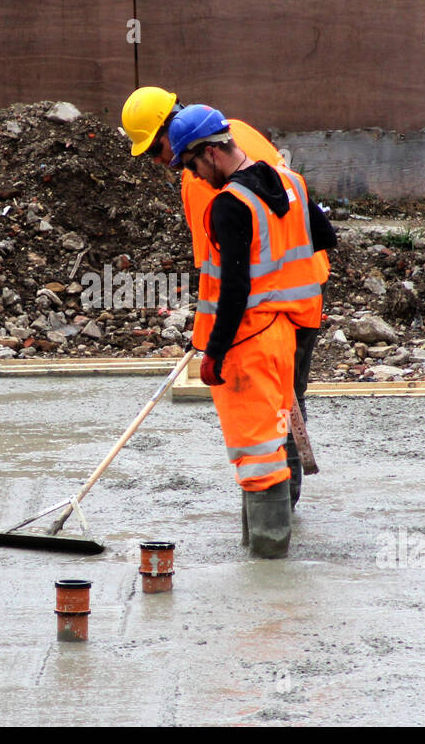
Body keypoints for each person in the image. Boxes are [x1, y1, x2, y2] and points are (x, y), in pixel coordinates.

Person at [122, 86, 333, 506]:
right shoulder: (235, 131)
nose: (163, 161)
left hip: (263, 306)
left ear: (172, 130)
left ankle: (272, 510)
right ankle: (284, 501)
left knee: (262, 408)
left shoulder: (203, 176)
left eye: (156, 148)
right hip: (306, 288)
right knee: (289, 397)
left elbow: (221, 274)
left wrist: (209, 342)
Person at [166, 105, 334, 557]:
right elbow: (324, 237)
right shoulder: (291, 183)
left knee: (258, 449)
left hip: (250, 341)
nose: (195, 177)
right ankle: (265, 545)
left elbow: (235, 288)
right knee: (279, 429)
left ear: (211, 153)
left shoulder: (229, 205)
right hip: (292, 328)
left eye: (192, 165)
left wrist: (213, 352)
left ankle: (267, 557)